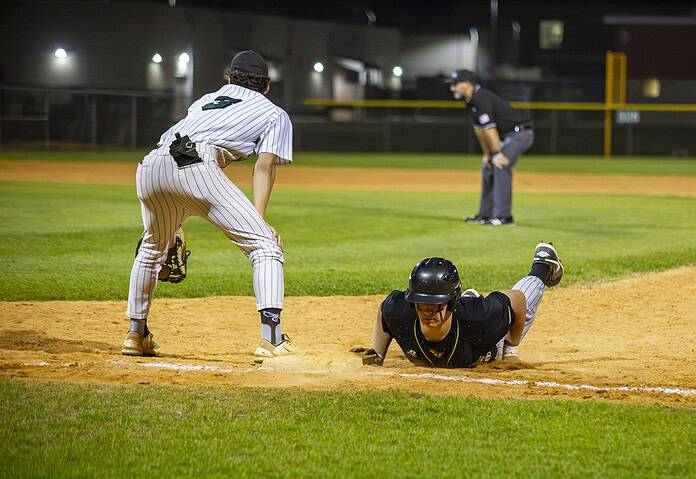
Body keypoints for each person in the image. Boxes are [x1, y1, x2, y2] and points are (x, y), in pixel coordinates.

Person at [122, 50, 297, 359]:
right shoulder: (273, 113)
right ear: (266, 85)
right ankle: (272, 338)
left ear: (228, 78)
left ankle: (136, 335)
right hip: (197, 163)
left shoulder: (204, 100)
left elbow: (172, 145)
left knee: (152, 248)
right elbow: (264, 166)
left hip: (150, 165)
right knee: (266, 246)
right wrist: (259, 221)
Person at [351, 243, 563, 368]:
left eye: (435, 305)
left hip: (485, 342)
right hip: (467, 321)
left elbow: (517, 299)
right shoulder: (400, 311)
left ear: (452, 303)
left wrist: (511, 348)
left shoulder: (481, 319)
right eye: (421, 304)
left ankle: (543, 264)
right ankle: (471, 297)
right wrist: (377, 354)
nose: (427, 312)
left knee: (514, 319)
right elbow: (384, 308)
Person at [449, 70, 534, 226]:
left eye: (455, 84)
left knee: (500, 164)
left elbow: (490, 129)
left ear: (467, 83)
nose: (452, 88)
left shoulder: (481, 97)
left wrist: (496, 153)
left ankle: (504, 217)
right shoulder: (470, 100)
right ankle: (485, 214)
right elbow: (480, 130)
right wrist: (487, 154)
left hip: (520, 134)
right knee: (488, 167)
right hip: (506, 136)